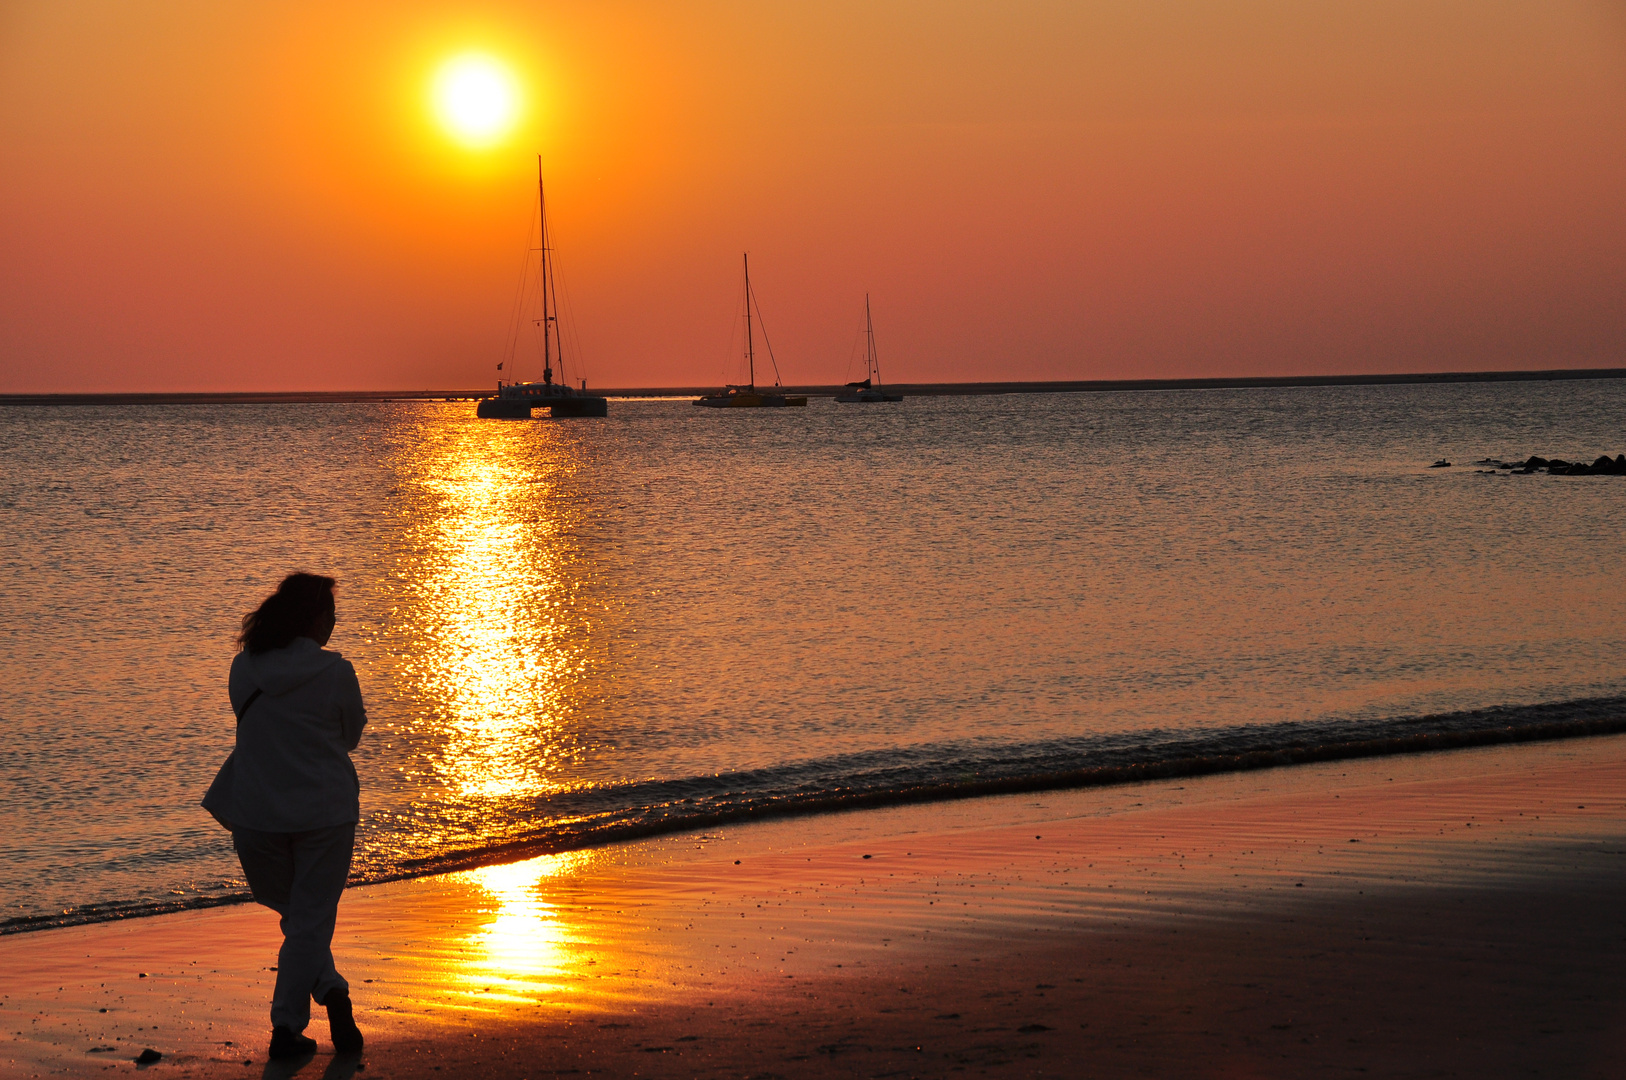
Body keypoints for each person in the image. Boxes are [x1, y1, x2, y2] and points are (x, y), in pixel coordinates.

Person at [202, 573, 368, 1059]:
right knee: (309, 922)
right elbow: (351, 736)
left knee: (301, 921)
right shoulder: (337, 672)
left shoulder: (243, 669)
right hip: (325, 811)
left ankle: (330, 996)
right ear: (313, 620)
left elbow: (252, 723)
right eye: (331, 616)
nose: (334, 626)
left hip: (257, 815)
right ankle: (287, 1028)